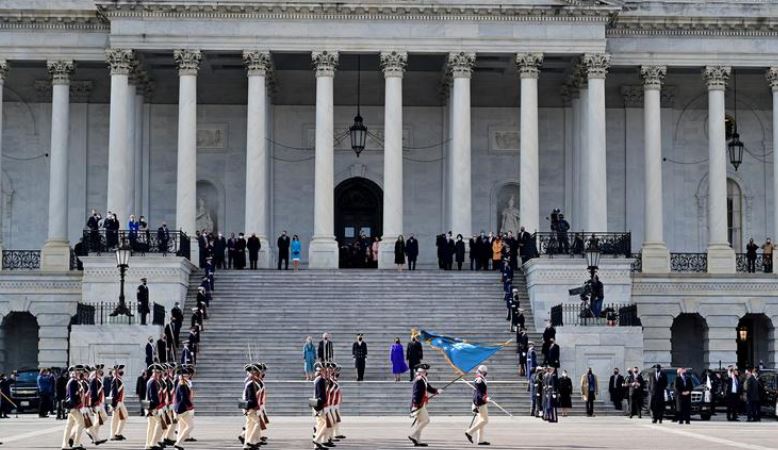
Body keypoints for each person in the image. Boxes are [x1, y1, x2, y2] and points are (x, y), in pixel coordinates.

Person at [409, 363, 438, 447]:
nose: (425, 373)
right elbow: (416, 393)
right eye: (424, 371)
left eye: (425, 371)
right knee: (426, 420)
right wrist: (416, 405)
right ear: (419, 372)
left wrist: (437, 391)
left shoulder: (423, 379)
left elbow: (429, 388)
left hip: (421, 403)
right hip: (419, 404)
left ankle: (418, 441)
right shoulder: (419, 380)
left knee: (420, 422)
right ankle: (412, 435)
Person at [61, 365, 86, 450]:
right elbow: (72, 396)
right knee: (81, 423)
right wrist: (78, 406)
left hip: (72, 406)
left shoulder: (74, 381)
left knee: (69, 426)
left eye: (81, 371)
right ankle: (76, 443)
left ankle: (65, 445)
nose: (80, 373)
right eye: (78, 371)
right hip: (74, 407)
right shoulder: (73, 382)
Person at [464, 365, 490, 445]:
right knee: (485, 421)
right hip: (481, 403)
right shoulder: (479, 380)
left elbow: (477, 392)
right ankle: (469, 432)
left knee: (480, 422)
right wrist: (485, 398)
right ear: (483, 372)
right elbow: (479, 393)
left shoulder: (480, 379)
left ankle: (480, 440)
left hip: (478, 402)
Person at [173, 365, 195, 449]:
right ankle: (178, 443)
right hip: (182, 409)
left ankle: (178, 444)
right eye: (186, 376)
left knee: (181, 427)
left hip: (180, 408)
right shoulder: (182, 385)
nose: (188, 377)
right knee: (190, 426)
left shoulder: (183, 384)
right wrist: (190, 407)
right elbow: (184, 398)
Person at [144, 364, 165, 450]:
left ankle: (148, 445)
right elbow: (154, 396)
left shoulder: (151, 381)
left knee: (151, 426)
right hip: (153, 407)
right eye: (158, 373)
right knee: (160, 423)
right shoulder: (153, 382)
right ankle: (153, 443)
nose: (159, 375)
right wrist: (158, 408)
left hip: (149, 406)